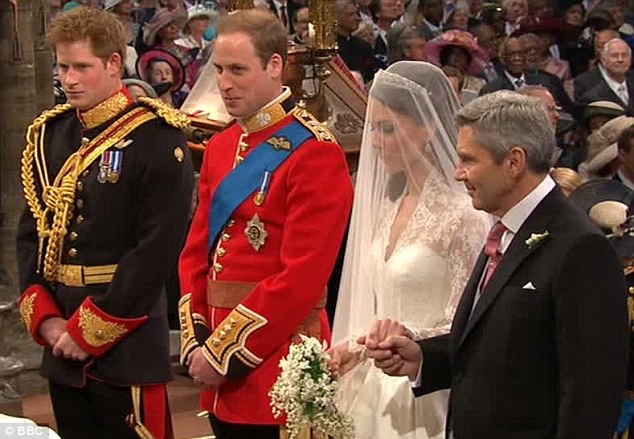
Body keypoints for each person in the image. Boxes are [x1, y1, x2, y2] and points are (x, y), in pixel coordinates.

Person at [364, 91, 629, 439]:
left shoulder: (581, 248)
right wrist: (424, 357)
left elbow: (590, 395)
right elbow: (496, 345)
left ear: (514, 162)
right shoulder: (504, 231)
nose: (458, 173)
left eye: (468, 160)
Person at [16, 7, 194, 439]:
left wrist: (88, 331)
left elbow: (156, 250)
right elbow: (32, 233)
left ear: (114, 63)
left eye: (82, 67)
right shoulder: (51, 134)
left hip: (127, 341)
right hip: (61, 341)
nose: (69, 79)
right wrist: (48, 320)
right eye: (63, 67)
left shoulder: (157, 138)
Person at [177, 9, 354, 439]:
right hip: (216, 362)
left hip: (276, 366)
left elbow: (301, 278)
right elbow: (196, 253)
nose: (224, 83)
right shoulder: (220, 146)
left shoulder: (315, 152)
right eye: (219, 69)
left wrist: (223, 353)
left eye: (238, 70)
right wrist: (197, 336)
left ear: (275, 65)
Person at [329, 61, 490, 439]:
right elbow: (380, 304)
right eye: (372, 129)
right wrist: (356, 346)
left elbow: (471, 323)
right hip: (374, 389)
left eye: (387, 129)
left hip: (429, 391)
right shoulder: (387, 207)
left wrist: (408, 338)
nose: (374, 142)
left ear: (429, 126)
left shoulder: (463, 215)